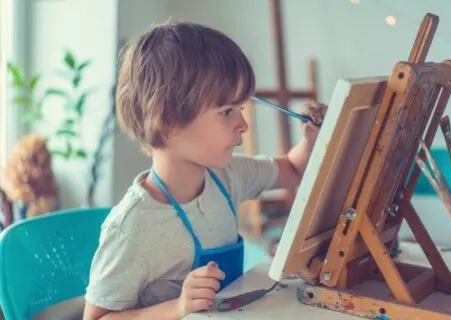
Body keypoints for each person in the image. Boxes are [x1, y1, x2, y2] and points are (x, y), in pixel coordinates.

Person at [83, 19, 327, 320]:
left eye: (241, 108)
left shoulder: (228, 176)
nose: (243, 125)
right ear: (168, 120)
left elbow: (293, 169)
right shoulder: (131, 230)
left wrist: (311, 141)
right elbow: (96, 318)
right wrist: (178, 306)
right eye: (227, 112)